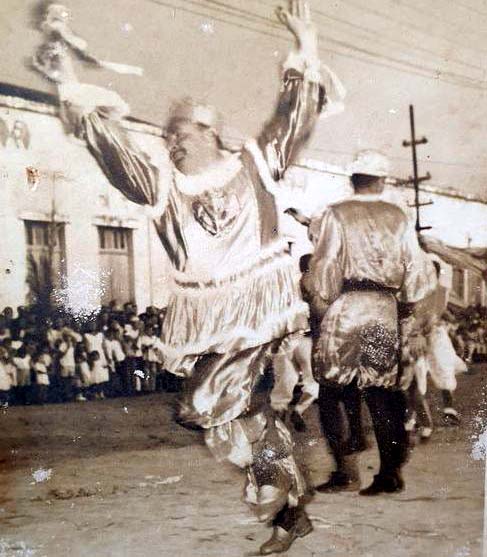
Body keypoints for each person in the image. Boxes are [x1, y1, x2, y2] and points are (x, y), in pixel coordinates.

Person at [52, 1, 330, 551]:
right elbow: (111, 148)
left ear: (210, 132)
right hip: (206, 317)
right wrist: (67, 78)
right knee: (228, 421)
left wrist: (305, 46)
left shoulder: (255, 163)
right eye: (166, 139)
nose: (171, 144)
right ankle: (285, 503)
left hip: (257, 308)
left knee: (204, 404)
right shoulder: (161, 188)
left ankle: (284, 495)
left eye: (179, 135)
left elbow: (294, 114)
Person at [303, 150, 436, 496]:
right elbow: (417, 271)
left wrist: (324, 297)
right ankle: (390, 473)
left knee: (333, 390)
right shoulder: (399, 216)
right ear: (382, 180)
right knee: (382, 392)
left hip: (347, 307)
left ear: (353, 179)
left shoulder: (336, 213)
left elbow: (325, 266)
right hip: (383, 310)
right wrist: (406, 309)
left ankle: (346, 473)